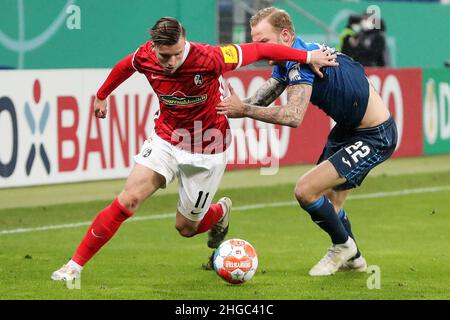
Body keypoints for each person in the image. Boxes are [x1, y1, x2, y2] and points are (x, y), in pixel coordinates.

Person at [50, 16, 338, 282]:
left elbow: (261, 51)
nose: (172, 61)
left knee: (186, 228)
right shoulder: (146, 56)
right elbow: (126, 66)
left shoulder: (210, 57)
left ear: (185, 43)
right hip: (166, 139)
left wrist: (307, 56)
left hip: (207, 149)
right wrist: (102, 94)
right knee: (128, 200)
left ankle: (219, 211)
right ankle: (74, 266)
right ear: (154, 48)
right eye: (165, 56)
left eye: (177, 53)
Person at [216, 7, 398, 276]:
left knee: (305, 190)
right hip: (349, 129)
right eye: (255, 43)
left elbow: (293, 116)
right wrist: (229, 108)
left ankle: (342, 246)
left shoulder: (301, 61)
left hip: (374, 135)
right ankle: (355, 257)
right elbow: (262, 98)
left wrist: (243, 110)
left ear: (286, 35)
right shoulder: (296, 56)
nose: (259, 49)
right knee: (329, 202)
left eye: (263, 42)